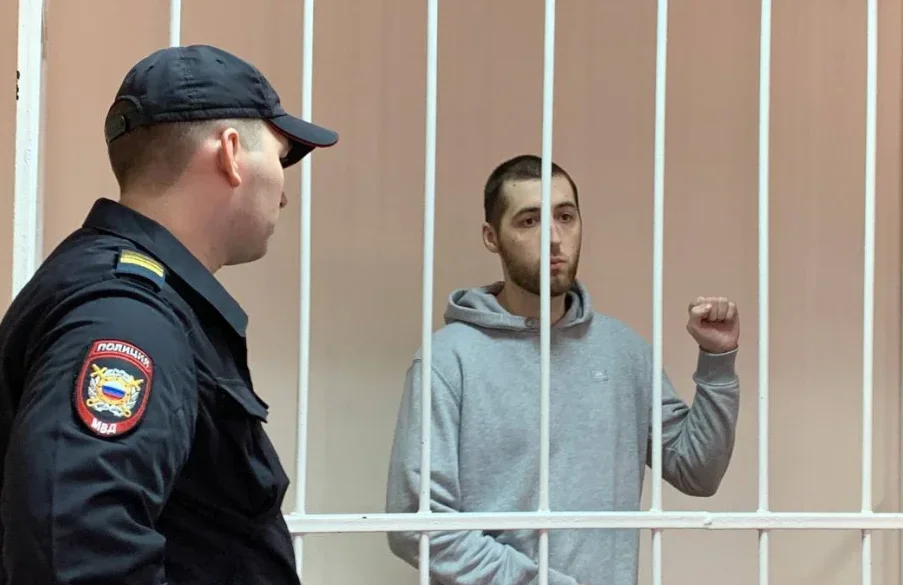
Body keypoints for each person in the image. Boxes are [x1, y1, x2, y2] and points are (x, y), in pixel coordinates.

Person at [0, 44, 337, 585]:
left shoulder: (125, 294)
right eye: (280, 158)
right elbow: (76, 557)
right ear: (231, 152)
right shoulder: (126, 319)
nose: (283, 196)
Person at [385, 155, 742, 585]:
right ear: (491, 237)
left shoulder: (624, 351)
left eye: (565, 217)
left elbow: (698, 472)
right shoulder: (448, 360)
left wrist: (718, 360)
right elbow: (417, 525)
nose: (554, 237)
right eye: (530, 220)